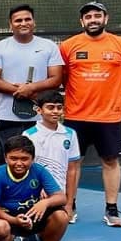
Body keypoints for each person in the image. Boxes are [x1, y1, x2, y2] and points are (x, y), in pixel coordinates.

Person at [59, 1, 121, 227]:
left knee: (111, 161)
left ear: (106, 18)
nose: (92, 19)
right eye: (88, 17)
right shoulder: (68, 46)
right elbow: (62, 76)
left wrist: (111, 90)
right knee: (73, 162)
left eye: (97, 15)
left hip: (109, 116)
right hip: (76, 115)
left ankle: (112, 209)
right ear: (81, 21)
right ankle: (69, 205)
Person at [0, 4, 63, 160]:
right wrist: (20, 91)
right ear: (10, 24)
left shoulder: (49, 47)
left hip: (40, 118)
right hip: (6, 117)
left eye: (27, 19)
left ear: (34, 22)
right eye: (18, 20)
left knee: (40, 161)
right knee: (3, 161)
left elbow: (56, 78)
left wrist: (31, 88)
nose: (23, 23)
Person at [0, 135, 68, 241]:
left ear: (32, 158)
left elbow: (62, 197)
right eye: (14, 158)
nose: (19, 163)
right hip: (7, 218)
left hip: (33, 216)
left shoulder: (39, 170)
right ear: (6, 158)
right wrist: (14, 220)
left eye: (24, 159)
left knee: (61, 216)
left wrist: (45, 202)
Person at [24, 90, 81, 227]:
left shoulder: (70, 134)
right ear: (39, 110)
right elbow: (26, 168)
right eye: (50, 107)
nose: (55, 111)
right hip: (35, 192)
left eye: (59, 108)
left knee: (58, 222)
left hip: (58, 194)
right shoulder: (29, 135)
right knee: (32, 225)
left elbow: (72, 169)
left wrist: (69, 202)